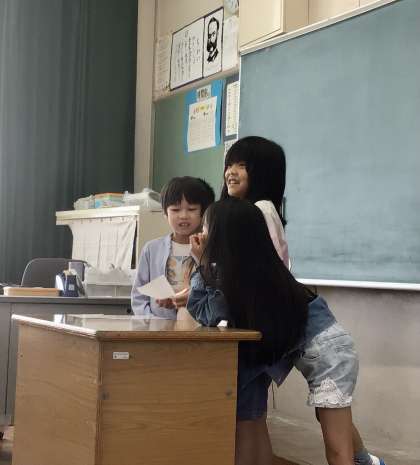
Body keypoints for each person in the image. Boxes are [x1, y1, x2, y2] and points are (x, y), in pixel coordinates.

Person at [187, 199, 385, 465]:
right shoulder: (255, 269)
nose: (200, 235)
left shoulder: (243, 276)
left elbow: (209, 312)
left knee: (337, 451)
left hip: (329, 354)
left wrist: (201, 264)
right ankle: (367, 462)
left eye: (205, 228)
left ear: (222, 237)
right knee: (331, 418)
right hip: (322, 348)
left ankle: (362, 461)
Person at [131, 176, 214, 318]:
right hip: (158, 326)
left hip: (197, 326)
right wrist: (151, 321)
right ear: (165, 213)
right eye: (175, 210)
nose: (183, 216)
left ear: (203, 213)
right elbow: (139, 296)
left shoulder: (210, 248)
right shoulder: (151, 249)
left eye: (191, 209)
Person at [220, 136, 289, 265]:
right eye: (229, 165)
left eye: (242, 165)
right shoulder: (240, 211)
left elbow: (270, 264)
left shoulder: (262, 209)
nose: (231, 172)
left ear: (263, 173)